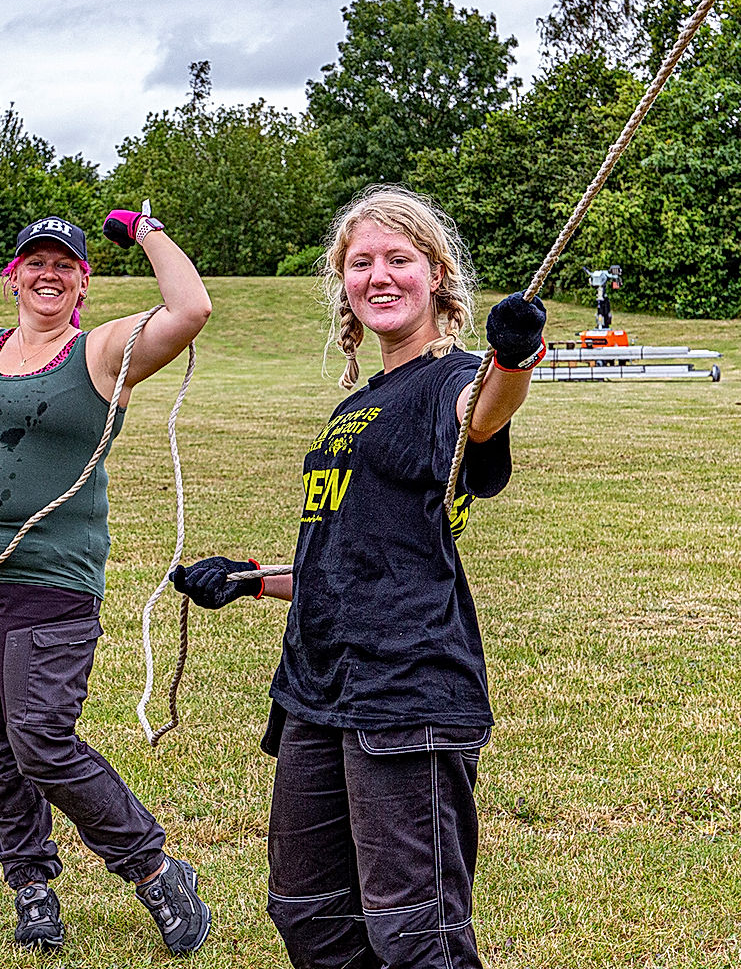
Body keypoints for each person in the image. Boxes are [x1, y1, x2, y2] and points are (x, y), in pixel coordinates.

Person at [170, 185, 547, 969]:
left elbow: (483, 416)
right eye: (360, 262)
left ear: (435, 275)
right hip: (316, 689)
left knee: (415, 932)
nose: (378, 276)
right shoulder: (358, 405)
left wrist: (513, 359)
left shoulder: (452, 379)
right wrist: (250, 578)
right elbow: (352, 554)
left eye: (399, 260)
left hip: (405, 690)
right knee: (307, 912)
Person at [0, 203, 213, 955]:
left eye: (64, 264)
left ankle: (154, 869)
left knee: (40, 738)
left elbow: (190, 307)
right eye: (36, 263)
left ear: (83, 282)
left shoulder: (104, 351)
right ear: (11, 277)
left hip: (52, 576)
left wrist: (148, 230)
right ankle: (32, 890)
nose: (48, 274)